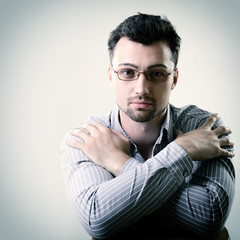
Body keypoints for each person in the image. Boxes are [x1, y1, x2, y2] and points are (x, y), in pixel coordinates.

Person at [60, 13, 235, 239]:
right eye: (127, 72)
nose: (141, 88)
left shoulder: (204, 128)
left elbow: (210, 218)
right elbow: (97, 220)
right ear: (111, 77)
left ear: (174, 79)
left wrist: (119, 162)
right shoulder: (86, 139)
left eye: (156, 74)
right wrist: (182, 151)